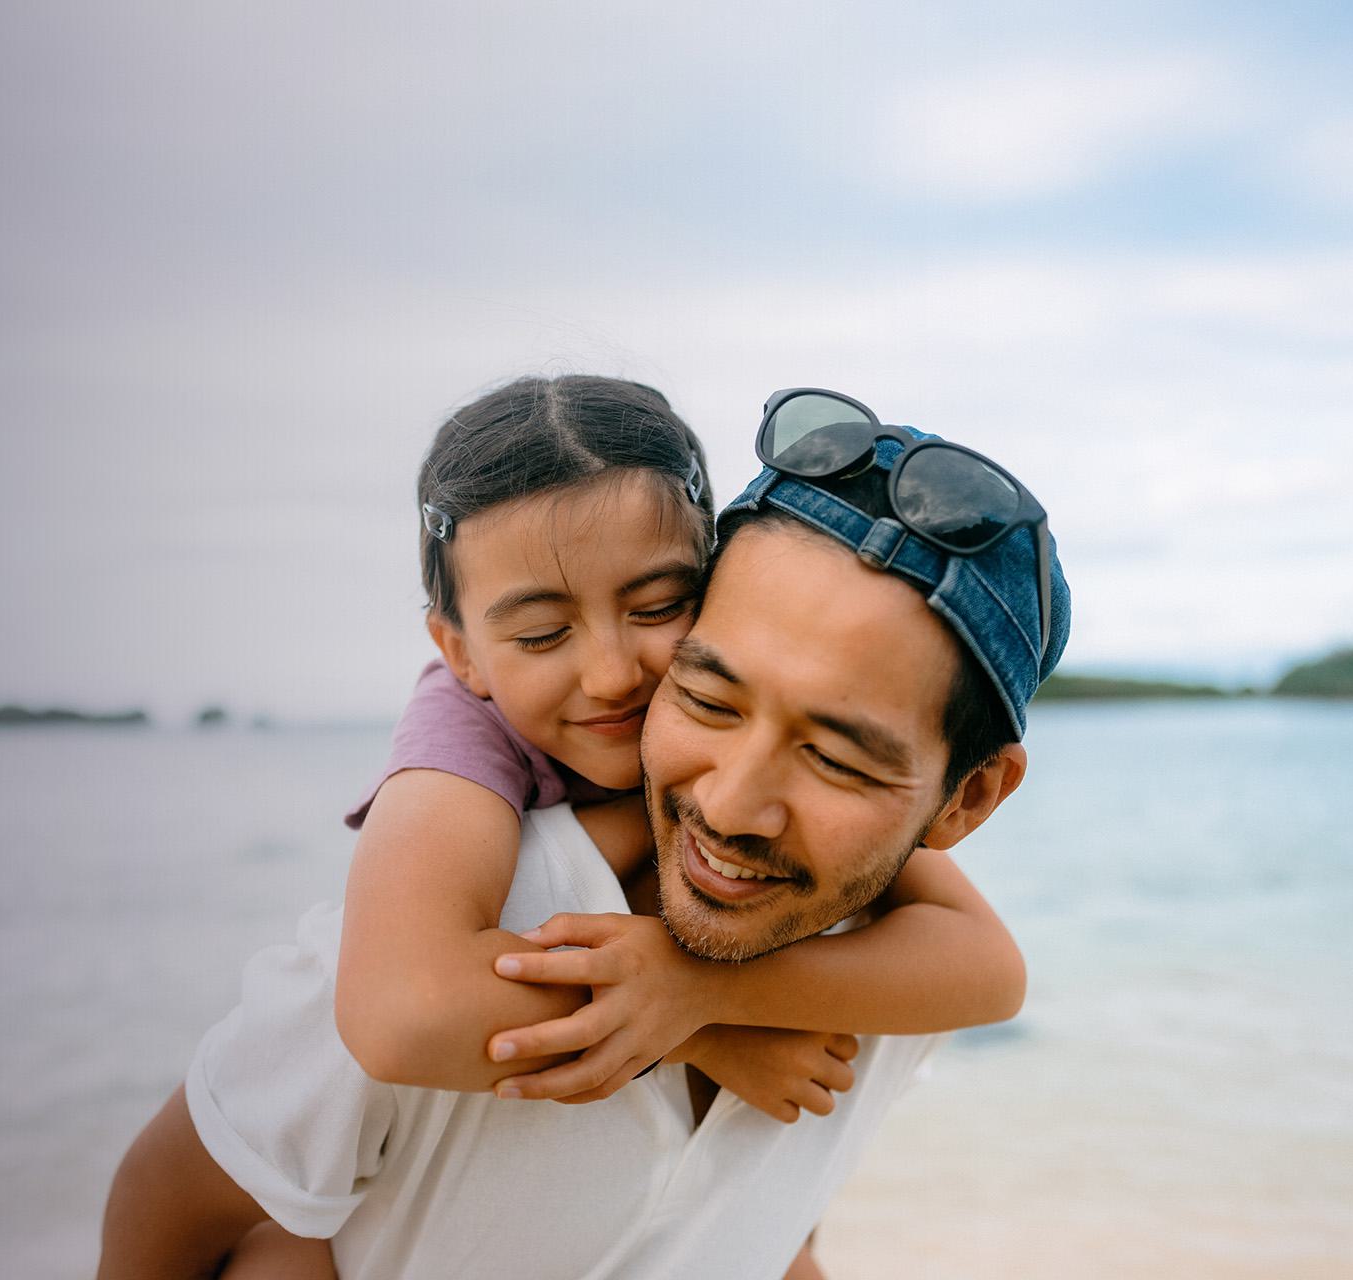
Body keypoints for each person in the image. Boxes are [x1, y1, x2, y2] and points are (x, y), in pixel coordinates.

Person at [96, 384, 1067, 1278]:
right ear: (460, 649)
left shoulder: (877, 976)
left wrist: (700, 993)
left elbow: (761, 1220)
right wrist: (686, 1021)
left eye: (839, 759)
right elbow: (186, 1187)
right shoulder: (476, 899)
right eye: (711, 695)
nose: (729, 807)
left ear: (966, 802)